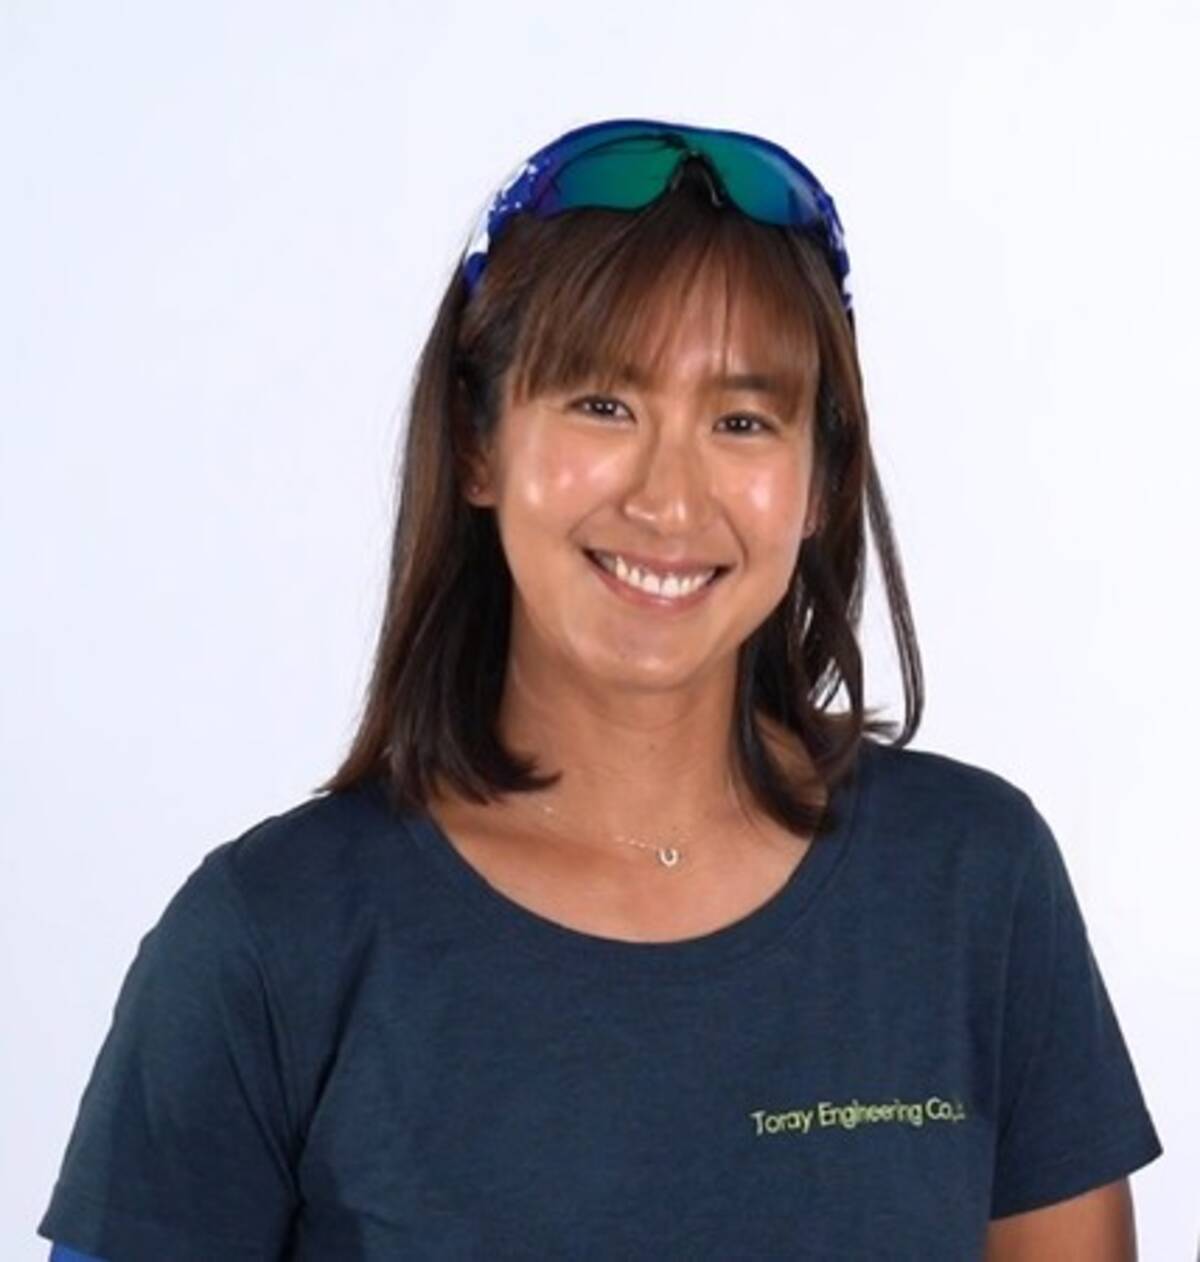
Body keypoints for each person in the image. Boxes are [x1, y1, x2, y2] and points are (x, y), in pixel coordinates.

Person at [38, 117, 1162, 1260]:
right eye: (603, 404)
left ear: (820, 478)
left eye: (742, 420)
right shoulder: (268, 941)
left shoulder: (975, 883)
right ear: (478, 443)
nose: (670, 500)